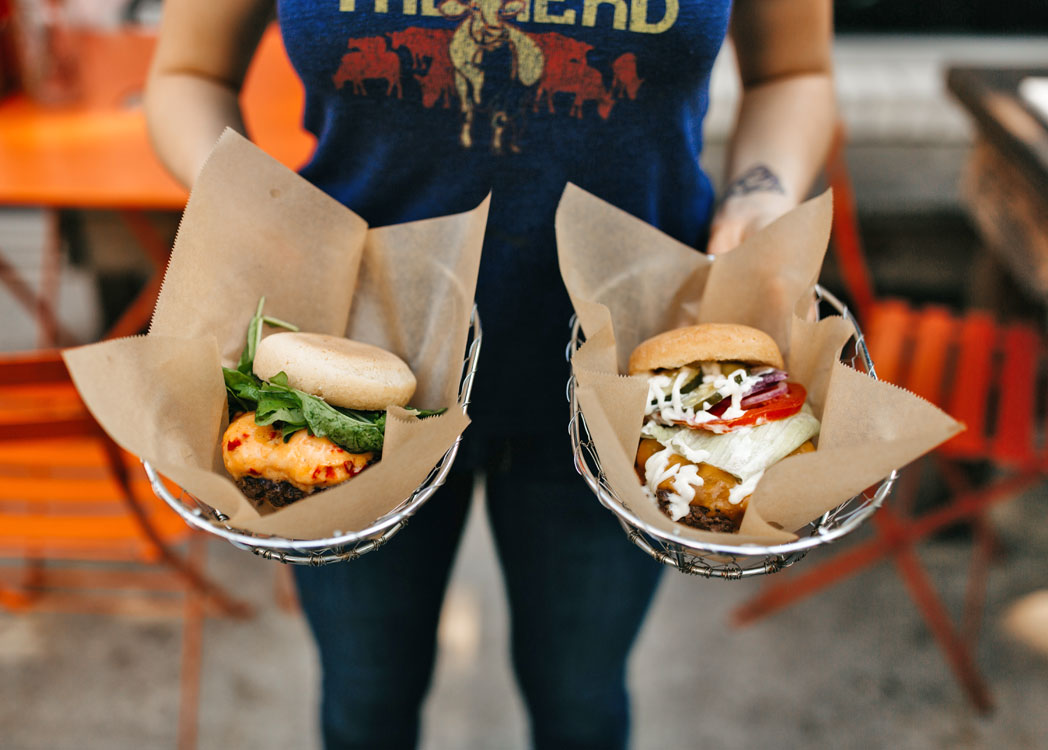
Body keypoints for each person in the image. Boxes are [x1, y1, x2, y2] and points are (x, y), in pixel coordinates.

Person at [144, 1, 835, 748]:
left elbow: (792, 73)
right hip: (345, 376)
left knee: (581, 706)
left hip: (636, 394)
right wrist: (251, 206)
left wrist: (761, 194)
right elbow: (189, 73)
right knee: (365, 701)